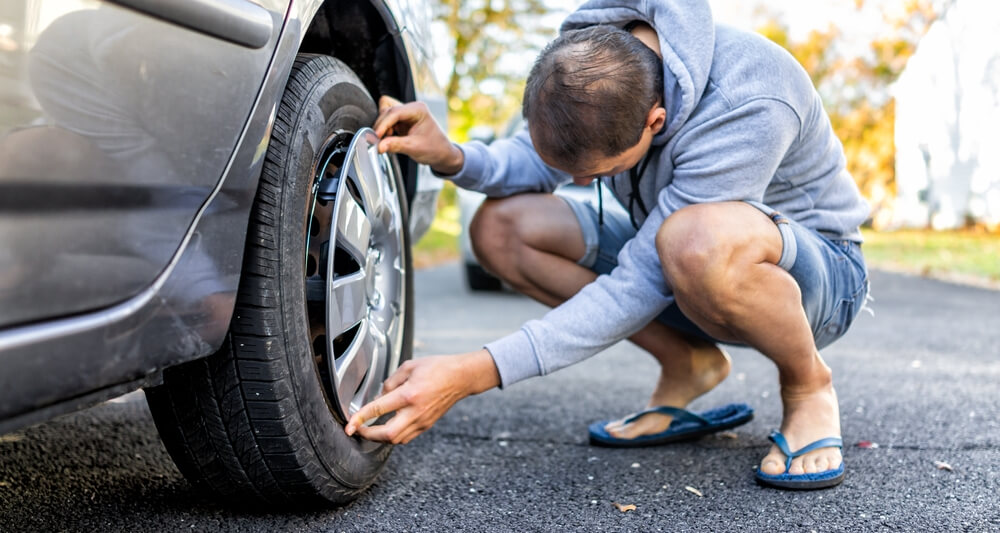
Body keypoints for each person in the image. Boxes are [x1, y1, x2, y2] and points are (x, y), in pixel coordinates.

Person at [344, 0, 870, 490]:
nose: (575, 183)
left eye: (596, 174)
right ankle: (688, 363)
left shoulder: (749, 98)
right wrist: (452, 156)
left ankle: (808, 386)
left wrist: (476, 370)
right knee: (500, 228)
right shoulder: (591, 62)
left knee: (693, 241)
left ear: (655, 121)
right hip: (685, 265)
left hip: (818, 281)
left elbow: (641, 282)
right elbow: (536, 161)